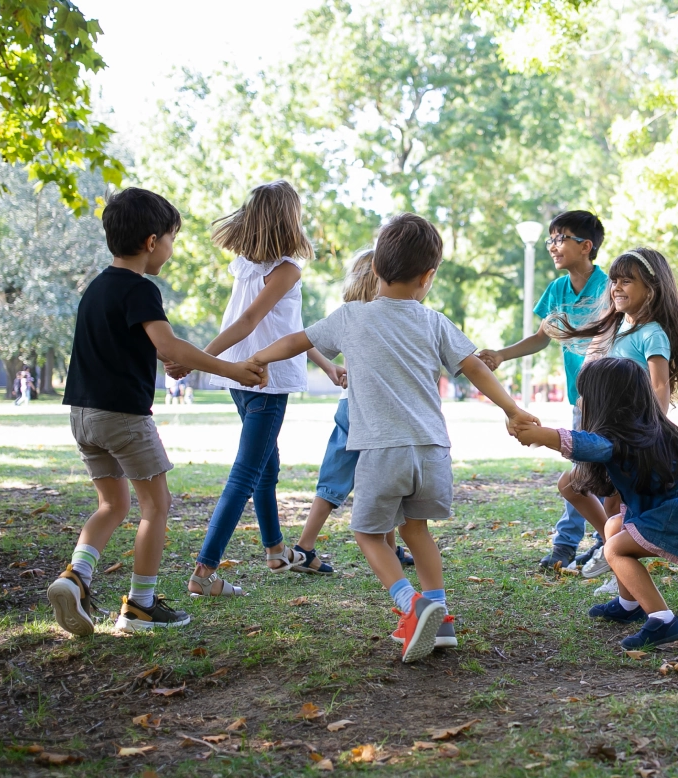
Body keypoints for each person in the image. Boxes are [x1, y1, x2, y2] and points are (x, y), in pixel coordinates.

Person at [250, 213, 539, 662]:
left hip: (382, 451)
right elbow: (476, 367)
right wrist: (513, 409)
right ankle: (440, 618)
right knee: (417, 531)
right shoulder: (434, 321)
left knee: (367, 532)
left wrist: (260, 358)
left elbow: (297, 341)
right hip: (432, 451)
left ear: (375, 271)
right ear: (429, 277)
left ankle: (412, 604)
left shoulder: (351, 317)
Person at [47, 187, 265, 636]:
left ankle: (76, 577)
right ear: (151, 242)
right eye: (171, 238)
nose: (170, 247)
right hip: (123, 418)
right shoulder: (141, 289)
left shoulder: (95, 289)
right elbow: (168, 346)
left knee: (111, 503)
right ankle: (141, 605)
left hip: (82, 416)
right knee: (156, 506)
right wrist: (232, 369)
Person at [179, 180, 344, 598]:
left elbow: (288, 327)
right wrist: (197, 358)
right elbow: (249, 322)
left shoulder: (246, 265)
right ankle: (204, 571)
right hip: (263, 379)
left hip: (242, 375)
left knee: (266, 468)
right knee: (247, 472)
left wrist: (324, 363)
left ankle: (274, 550)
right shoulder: (285, 267)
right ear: (290, 218)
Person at [510, 358, 678, 649]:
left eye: (585, 395)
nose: (580, 401)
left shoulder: (623, 437)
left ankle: (663, 620)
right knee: (614, 526)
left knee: (614, 549)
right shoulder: (643, 430)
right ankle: (629, 605)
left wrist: (543, 436)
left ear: (605, 401)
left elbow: (591, 444)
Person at [548, 248, 678, 584]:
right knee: (572, 487)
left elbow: (660, 387)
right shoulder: (614, 330)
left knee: (615, 504)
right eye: (614, 280)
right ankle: (611, 547)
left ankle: (618, 564)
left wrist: (652, 434)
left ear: (651, 289)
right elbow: (592, 383)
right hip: (605, 434)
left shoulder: (652, 333)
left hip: (631, 438)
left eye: (627, 280)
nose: (616, 286)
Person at [479, 211, 608, 570]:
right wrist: (501, 355)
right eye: (550, 239)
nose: (553, 246)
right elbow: (541, 338)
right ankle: (596, 541)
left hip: (610, 400)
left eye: (560, 238)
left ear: (586, 246)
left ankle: (575, 544)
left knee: (588, 473)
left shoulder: (610, 286)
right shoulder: (557, 290)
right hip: (579, 400)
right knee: (582, 471)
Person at [293, 249, 415, 576]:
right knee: (383, 474)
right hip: (373, 410)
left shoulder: (349, 313)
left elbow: (306, 340)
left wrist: (331, 367)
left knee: (341, 477)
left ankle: (306, 546)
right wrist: (334, 368)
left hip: (349, 405)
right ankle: (310, 547)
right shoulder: (388, 313)